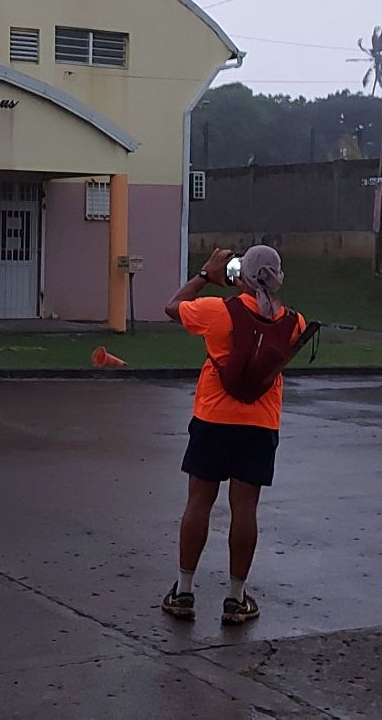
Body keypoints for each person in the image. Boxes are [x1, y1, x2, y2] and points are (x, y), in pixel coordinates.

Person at [158, 244, 307, 625]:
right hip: (260, 424)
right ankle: (236, 599)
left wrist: (206, 275)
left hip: (213, 419)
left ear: (241, 275)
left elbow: (173, 307)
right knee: (245, 510)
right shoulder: (296, 323)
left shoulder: (218, 311)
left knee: (199, 502)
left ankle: (184, 591)